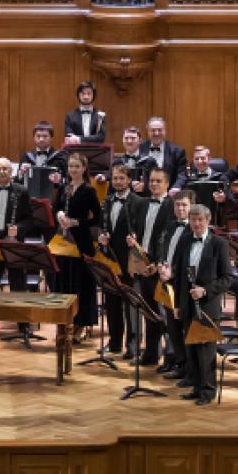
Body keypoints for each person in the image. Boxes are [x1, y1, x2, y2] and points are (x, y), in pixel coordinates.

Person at [163, 203, 232, 406]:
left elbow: (228, 278)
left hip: (208, 305)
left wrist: (205, 290)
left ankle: (208, 390)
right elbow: (179, 276)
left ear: (208, 221)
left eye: (200, 220)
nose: (196, 223)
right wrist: (177, 303)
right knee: (191, 348)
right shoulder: (185, 240)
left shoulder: (219, 244)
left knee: (206, 351)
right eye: (193, 220)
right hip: (186, 303)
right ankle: (196, 386)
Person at [127, 167, 174, 366]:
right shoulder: (144, 204)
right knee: (149, 311)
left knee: (166, 314)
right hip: (142, 262)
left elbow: (169, 239)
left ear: (167, 184)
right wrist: (132, 237)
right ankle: (151, 354)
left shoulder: (172, 206)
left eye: (158, 181)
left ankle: (171, 356)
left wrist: (158, 262)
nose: (153, 184)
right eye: (151, 181)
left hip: (159, 267)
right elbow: (137, 228)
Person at [96, 163, 143, 358]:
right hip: (110, 259)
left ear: (129, 181)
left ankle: (133, 343)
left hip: (130, 260)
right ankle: (114, 342)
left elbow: (142, 229)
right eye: (115, 178)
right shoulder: (106, 201)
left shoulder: (140, 202)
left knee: (131, 303)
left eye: (121, 178)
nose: (117, 182)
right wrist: (100, 236)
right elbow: (100, 225)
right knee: (112, 303)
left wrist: (136, 240)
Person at [54, 152, 102, 339]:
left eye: (77, 166)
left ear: (83, 169)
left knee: (81, 283)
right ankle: (65, 321)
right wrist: (59, 214)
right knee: (65, 281)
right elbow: (55, 207)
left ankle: (81, 322)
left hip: (81, 242)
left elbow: (98, 218)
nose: (73, 170)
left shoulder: (89, 190)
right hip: (64, 241)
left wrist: (77, 223)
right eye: (70, 166)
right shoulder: (64, 188)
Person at [0, 157, 33, 292]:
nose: (2, 172)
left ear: (11, 171)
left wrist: (18, 229)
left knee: (18, 284)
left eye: (5, 169)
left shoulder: (22, 191)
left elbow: (29, 218)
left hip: (13, 244)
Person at [156, 189, 193, 378]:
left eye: (184, 205)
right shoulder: (170, 226)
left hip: (182, 285)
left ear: (191, 207)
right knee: (170, 326)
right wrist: (161, 265)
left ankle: (187, 367)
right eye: (177, 205)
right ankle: (177, 362)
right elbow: (163, 248)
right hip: (166, 280)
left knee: (181, 327)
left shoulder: (194, 230)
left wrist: (173, 272)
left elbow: (190, 260)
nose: (180, 208)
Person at [143, 117, 187, 192]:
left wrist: (176, 187)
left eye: (159, 130)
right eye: (153, 130)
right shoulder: (140, 148)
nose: (156, 133)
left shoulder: (177, 151)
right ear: (148, 131)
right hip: (144, 195)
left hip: (169, 194)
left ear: (165, 131)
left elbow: (182, 174)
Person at [112, 127, 150, 193]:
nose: (129, 141)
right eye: (126, 138)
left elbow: (157, 183)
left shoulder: (149, 161)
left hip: (142, 200)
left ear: (140, 141)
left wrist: (145, 186)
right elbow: (111, 187)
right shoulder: (117, 162)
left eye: (133, 138)